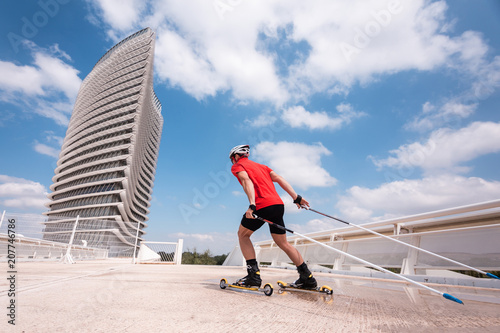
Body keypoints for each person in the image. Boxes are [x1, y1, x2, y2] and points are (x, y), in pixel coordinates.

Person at [229, 144, 317, 289]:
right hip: (278, 205)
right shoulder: (263, 167)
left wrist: (252, 205)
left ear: (236, 157)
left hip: (262, 205)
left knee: (243, 235)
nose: (232, 162)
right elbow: (279, 178)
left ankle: (253, 276)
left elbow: (246, 181)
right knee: (283, 243)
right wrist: (296, 197)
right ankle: (307, 278)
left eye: (232, 159)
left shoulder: (238, 166)